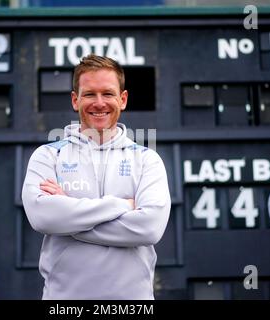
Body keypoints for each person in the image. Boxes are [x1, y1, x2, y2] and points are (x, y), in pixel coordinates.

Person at [22, 54, 171, 300]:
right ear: (75, 100)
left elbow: (149, 229)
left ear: (122, 99)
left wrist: (69, 219)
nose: (99, 103)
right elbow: (43, 218)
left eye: (108, 93)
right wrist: (121, 205)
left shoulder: (147, 160)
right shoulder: (48, 156)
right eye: (90, 94)